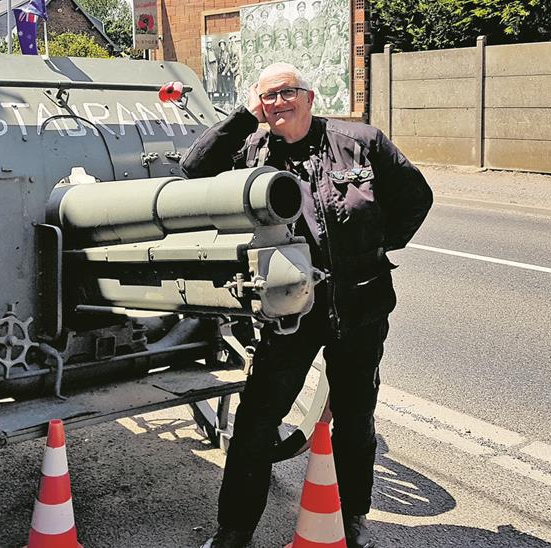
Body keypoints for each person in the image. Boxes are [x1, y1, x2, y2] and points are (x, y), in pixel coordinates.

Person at [181, 62, 433, 548]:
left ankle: (351, 518)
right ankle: (234, 529)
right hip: (287, 312)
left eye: (287, 92)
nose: (279, 103)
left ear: (310, 96)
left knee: (356, 419)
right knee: (258, 418)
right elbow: (194, 171)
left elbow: (416, 197)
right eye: (268, 96)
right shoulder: (252, 149)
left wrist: (375, 249)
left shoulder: (360, 142)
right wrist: (242, 117)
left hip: (360, 305)